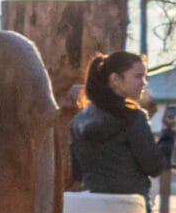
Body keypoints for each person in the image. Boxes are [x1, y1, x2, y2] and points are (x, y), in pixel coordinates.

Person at [70, 51, 166, 196]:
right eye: (138, 76)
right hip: (130, 205)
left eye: (145, 77)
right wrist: (168, 136)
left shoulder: (79, 121)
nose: (144, 83)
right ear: (115, 79)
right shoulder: (132, 118)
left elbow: (77, 173)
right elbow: (154, 167)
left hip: (92, 204)